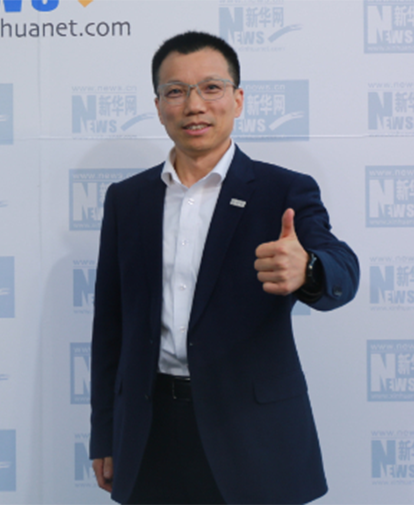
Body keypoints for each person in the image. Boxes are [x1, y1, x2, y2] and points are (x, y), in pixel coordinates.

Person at [90, 31, 359, 505]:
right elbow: (110, 326)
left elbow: (343, 269)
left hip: (253, 433)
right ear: (159, 106)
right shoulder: (127, 200)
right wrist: (105, 435)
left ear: (237, 99)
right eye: (176, 91)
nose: (194, 105)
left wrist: (309, 269)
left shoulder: (283, 190)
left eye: (211, 88)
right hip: (150, 432)